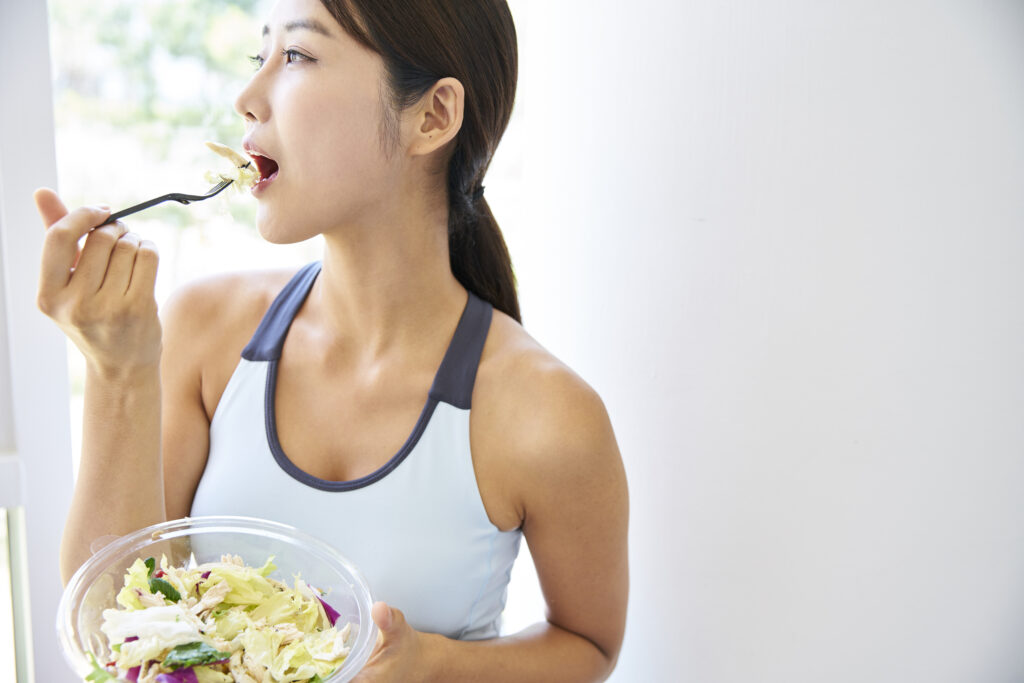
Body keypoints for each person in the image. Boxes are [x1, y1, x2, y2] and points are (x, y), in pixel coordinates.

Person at [36, 0, 628, 679]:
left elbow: (589, 645)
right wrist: (117, 371)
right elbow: (111, 618)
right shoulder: (203, 331)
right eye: (258, 57)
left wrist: (432, 663)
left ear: (432, 115)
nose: (247, 96)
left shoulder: (547, 414)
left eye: (297, 56)